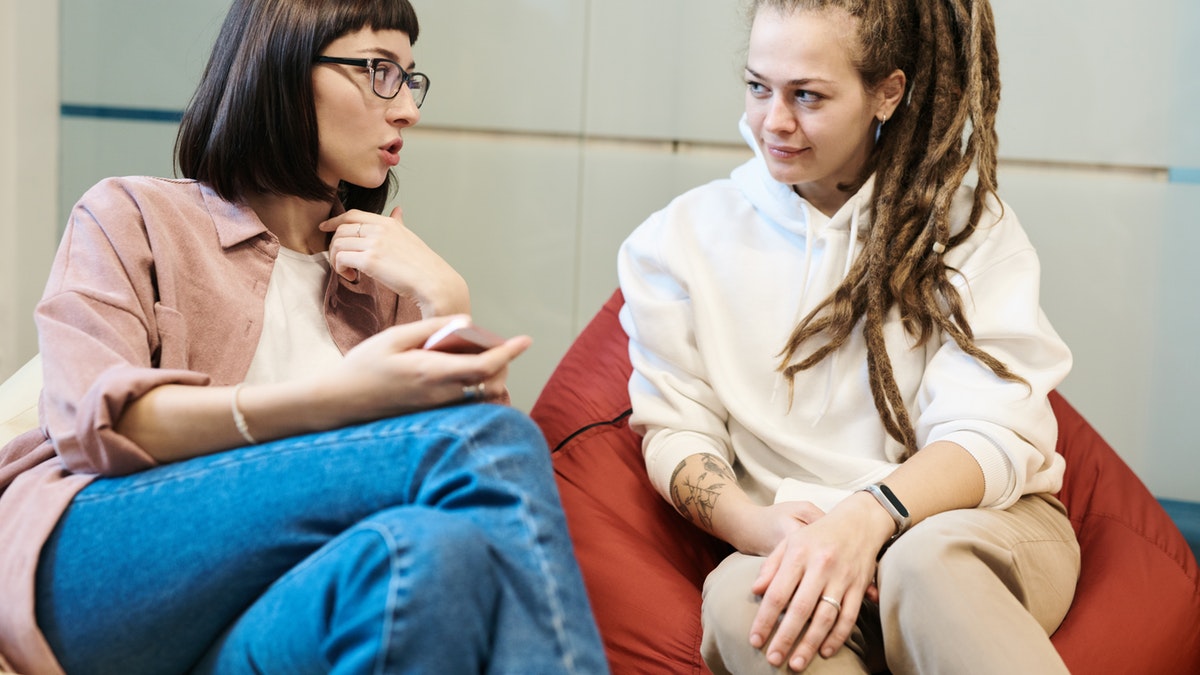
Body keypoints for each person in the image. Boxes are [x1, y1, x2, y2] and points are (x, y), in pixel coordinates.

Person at [0, 0, 607, 673]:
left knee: (435, 552)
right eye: (379, 70)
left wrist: (445, 302)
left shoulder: (384, 282)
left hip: (261, 620)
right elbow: (91, 421)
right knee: (496, 440)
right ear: (284, 69)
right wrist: (333, 398)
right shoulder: (132, 215)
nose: (407, 109)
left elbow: (482, 515)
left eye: (410, 78)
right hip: (100, 572)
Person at [617, 0, 1079, 672]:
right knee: (742, 604)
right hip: (799, 536)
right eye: (757, 87)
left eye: (807, 96)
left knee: (927, 565)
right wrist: (758, 527)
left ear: (886, 92)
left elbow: (991, 433)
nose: (774, 121)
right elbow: (674, 428)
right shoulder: (675, 240)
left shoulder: (966, 227)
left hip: (972, 528)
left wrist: (870, 518)